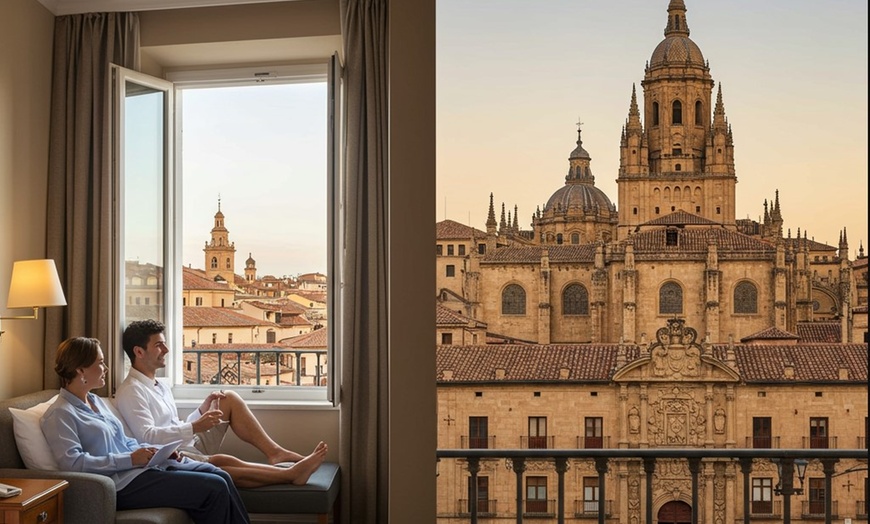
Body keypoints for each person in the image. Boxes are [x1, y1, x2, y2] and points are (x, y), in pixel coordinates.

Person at [41, 337, 250, 524]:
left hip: (138, 471)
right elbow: (73, 464)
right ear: (80, 370)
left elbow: (124, 441)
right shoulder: (60, 414)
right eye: (100, 363)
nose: (105, 368)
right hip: (119, 485)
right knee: (213, 487)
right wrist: (130, 460)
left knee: (219, 474)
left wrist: (157, 451)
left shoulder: (96, 401)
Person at [115, 319, 328, 488]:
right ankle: (290, 474)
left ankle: (275, 453)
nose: (167, 350)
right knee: (221, 461)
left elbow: (171, 423)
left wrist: (201, 411)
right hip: (169, 455)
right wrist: (195, 427)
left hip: (186, 443)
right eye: (159, 345)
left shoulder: (159, 384)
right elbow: (147, 437)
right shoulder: (131, 391)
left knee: (228, 398)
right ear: (139, 352)